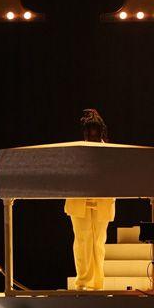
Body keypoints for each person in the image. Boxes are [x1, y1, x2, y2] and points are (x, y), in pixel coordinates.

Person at [64, 109, 114, 291]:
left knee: (98, 242)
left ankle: (98, 283)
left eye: (96, 131)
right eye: (89, 132)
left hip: (101, 201)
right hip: (80, 201)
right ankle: (84, 282)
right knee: (82, 241)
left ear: (101, 131)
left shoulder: (110, 151)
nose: (92, 135)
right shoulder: (77, 150)